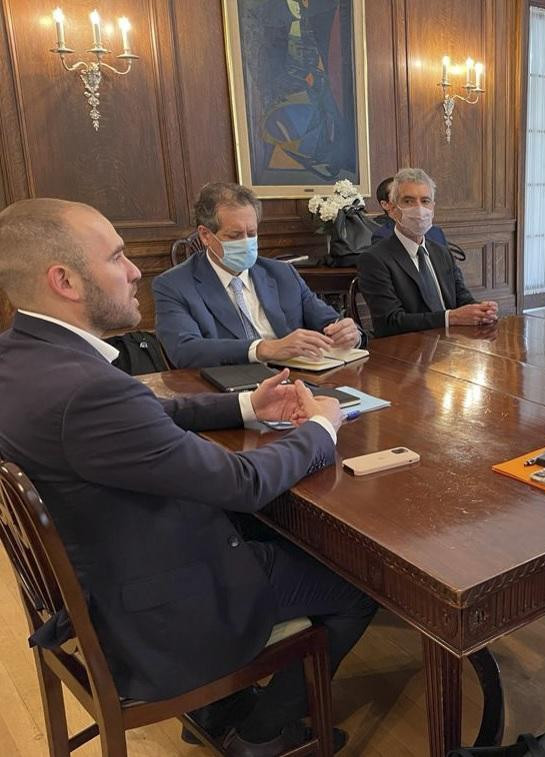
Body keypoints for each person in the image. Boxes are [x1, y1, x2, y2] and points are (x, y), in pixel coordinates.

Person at [0, 198, 377, 756]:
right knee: (359, 579)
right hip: (164, 610)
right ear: (65, 281)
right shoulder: (88, 391)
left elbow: (141, 417)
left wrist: (249, 405)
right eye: (119, 257)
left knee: (269, 531)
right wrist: (320, 427)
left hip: (106, 576)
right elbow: (243, 482)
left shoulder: (22, 356)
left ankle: (218, 706)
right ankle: (263, 733)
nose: (136, 272)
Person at [153, 182, 364, 368]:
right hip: (230, 391)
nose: (246, 242)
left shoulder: (282, 273)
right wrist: (262, 349)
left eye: (252, 233)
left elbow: (329, 322)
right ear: (206, 235)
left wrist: (349, 333)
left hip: (299, 378)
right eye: (235, 235)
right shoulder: (174, 285)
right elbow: (184, 351)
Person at [357, 168, 498, 337]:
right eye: (408, 201)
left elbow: (462, 298)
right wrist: (450, 318)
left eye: (425, 201)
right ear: (393, 209)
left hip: (452, 348)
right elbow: (390, 322)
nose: (419, 209)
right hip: (406, 353)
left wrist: (480, 310)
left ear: (433, 208)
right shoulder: (374, 259)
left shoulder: (442, 252)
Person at [370, 176, 449, 246]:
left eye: (424, 201)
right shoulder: (383, 236)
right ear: (385, 204)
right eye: (408, 201)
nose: (418, 207)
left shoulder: (436, 232)